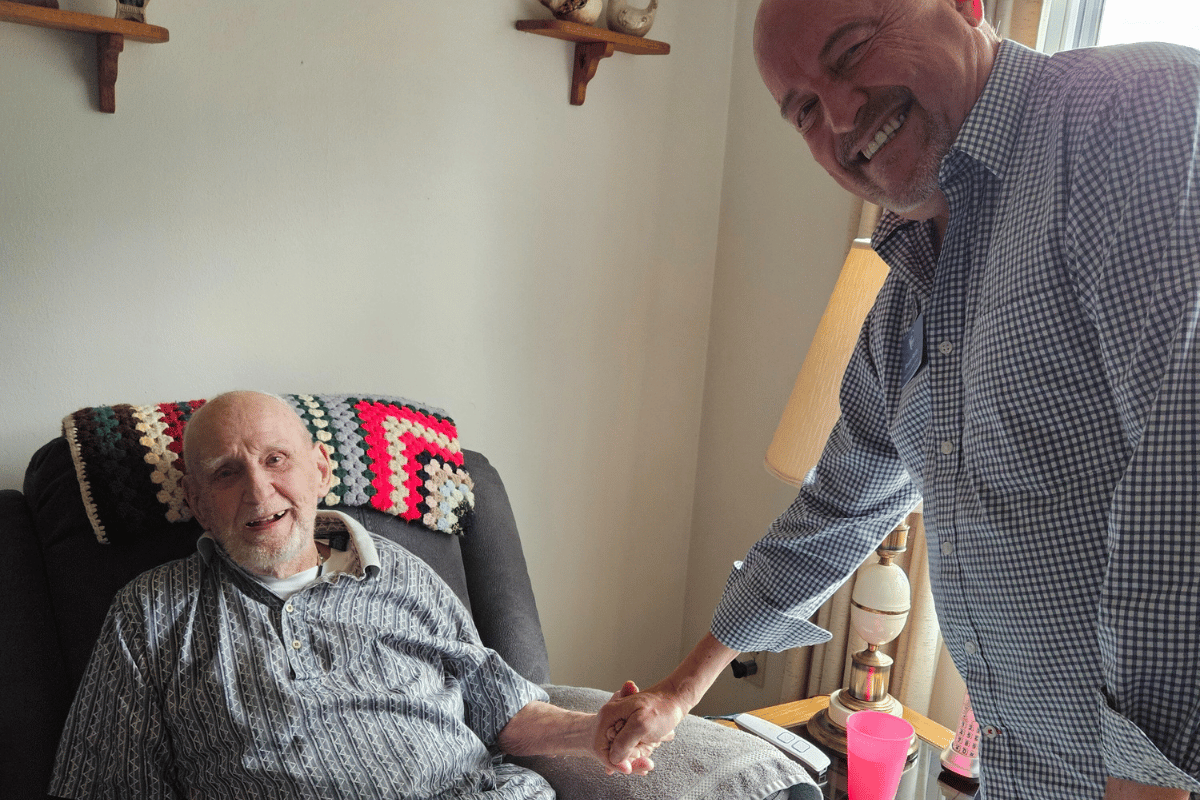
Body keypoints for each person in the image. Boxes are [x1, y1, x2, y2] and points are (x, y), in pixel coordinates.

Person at [598, 0, 1200, 798]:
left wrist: (1145, 782)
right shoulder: (907, 296)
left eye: (852, 49)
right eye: (804, 110)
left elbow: (1183, 480)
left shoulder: (1131, 112)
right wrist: (680, 689)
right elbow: (839, 507)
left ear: (965, 6)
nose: (843, 114)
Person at [50, 390, 655, 799]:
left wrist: (594, 730)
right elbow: (102, 782)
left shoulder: (400, 571)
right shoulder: (151, 612)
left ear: (320, 470)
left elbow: (501, 706)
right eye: (227, 473)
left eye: (276, 460)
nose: (259, 494)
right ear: (198, 501)